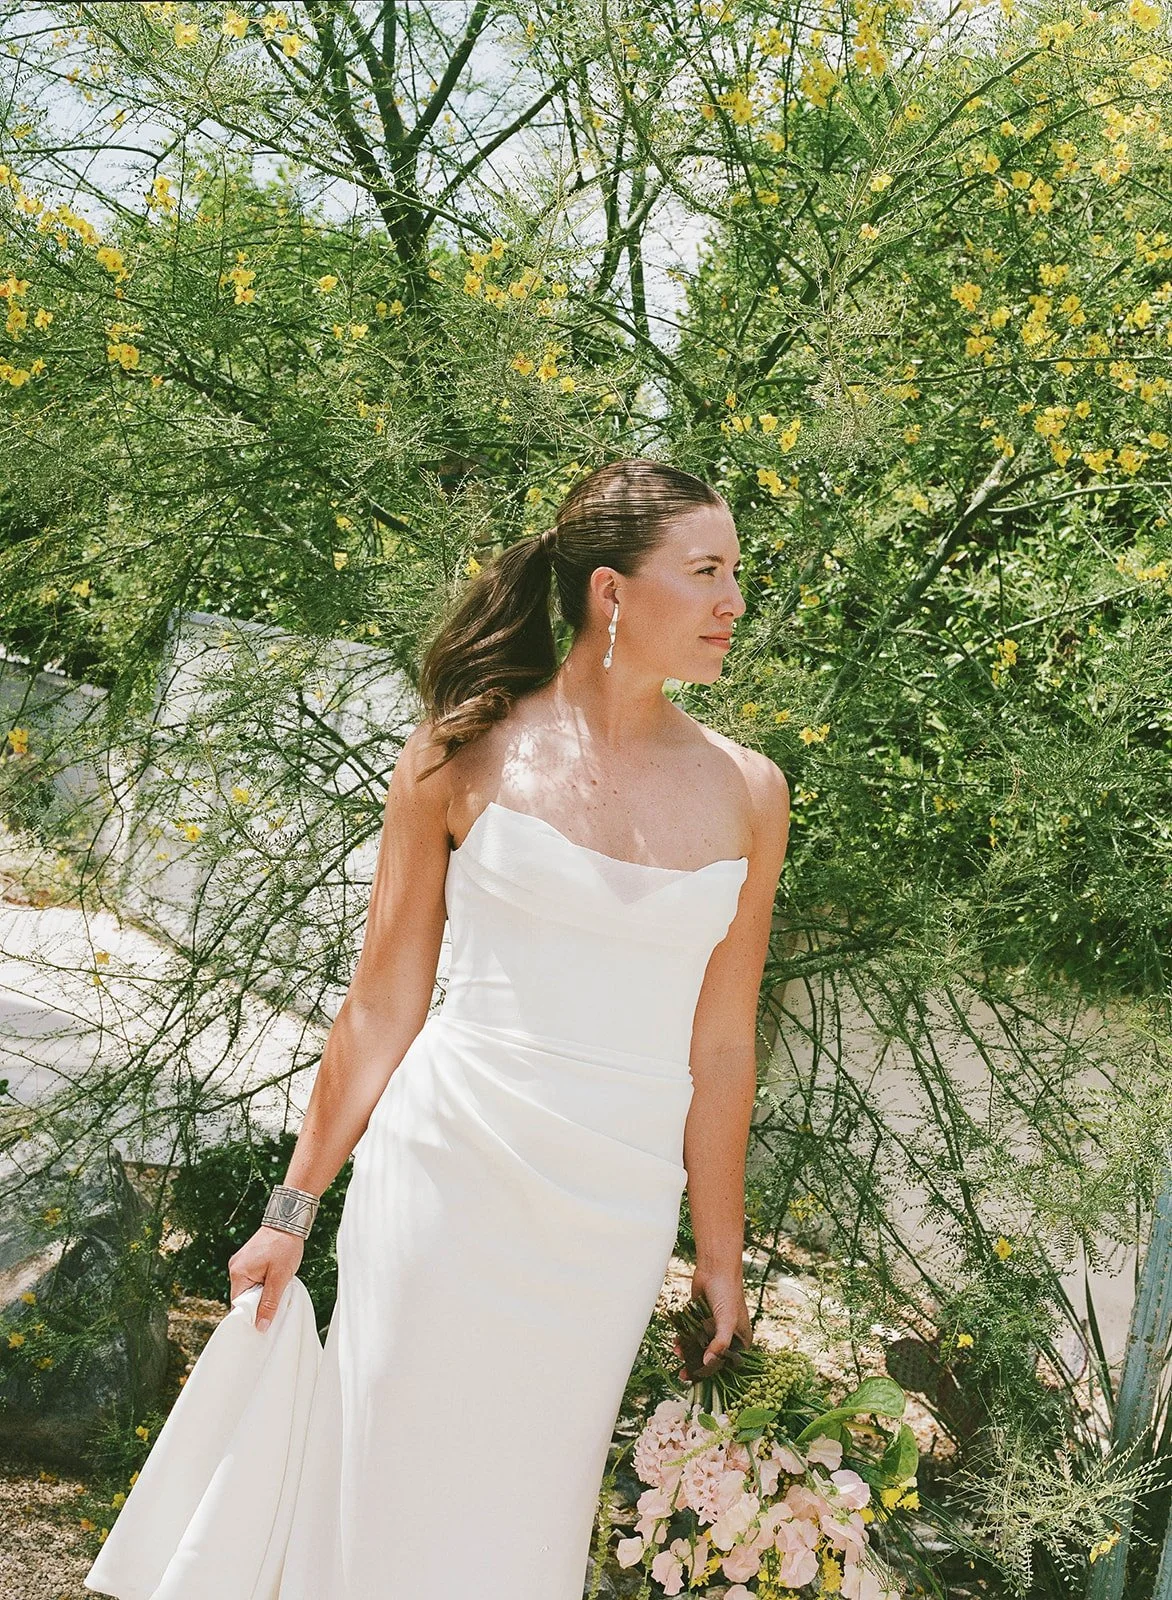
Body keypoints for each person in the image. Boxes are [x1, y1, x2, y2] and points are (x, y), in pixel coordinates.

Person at [84, 456, 790, 1600]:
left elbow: (721, 1045)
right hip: (446, 1174)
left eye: (733, 574)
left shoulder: (748, 792)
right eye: (706, 572)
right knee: (388, 1475)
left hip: (609, 1215)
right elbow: (380, 1002)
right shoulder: (460, 750)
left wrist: (718, 1255)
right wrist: (291, 1207)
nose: (733, 603)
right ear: (610, 591)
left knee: (530, 1506)